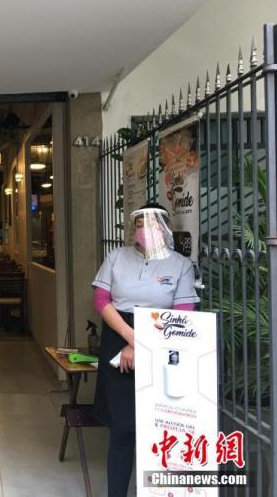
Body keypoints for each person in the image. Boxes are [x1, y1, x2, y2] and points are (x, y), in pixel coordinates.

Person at [92, 202, 199, 497]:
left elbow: (183, 312)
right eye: (139, 225)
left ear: (165, 229)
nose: (144, 231)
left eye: (151, 225)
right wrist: (130, 338)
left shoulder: (180, 265)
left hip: (164, 343)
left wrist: (141, 343)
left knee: (159, 428)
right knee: (122, 429)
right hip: (119, 338)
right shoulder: (116, 257)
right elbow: (101, 300)